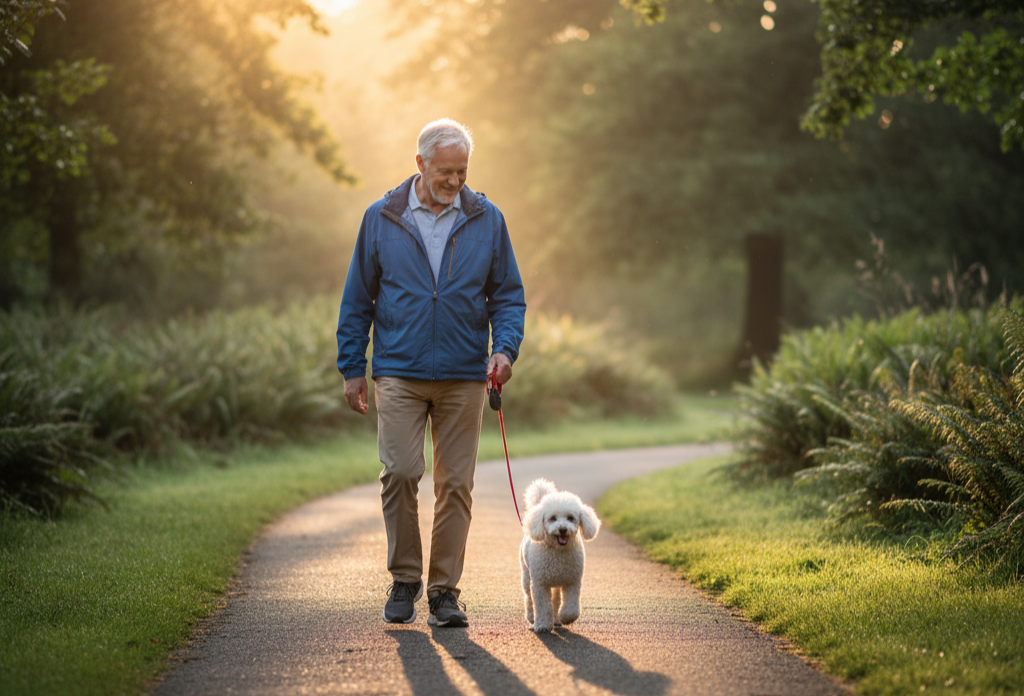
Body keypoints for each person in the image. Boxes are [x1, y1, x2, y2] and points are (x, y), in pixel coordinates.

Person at [336, 119, 526, 627]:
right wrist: (354, 367)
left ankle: (444, 592)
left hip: (466, 372)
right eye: (445, 171)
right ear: (419, 164)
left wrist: (504, 350)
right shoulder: (381, 218)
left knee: (456, 484)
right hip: (398, 368)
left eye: (462, 171)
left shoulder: (488, 220)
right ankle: (404, 580)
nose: (454, 180)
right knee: (399, 472)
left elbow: (507, 295)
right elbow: (358, 299)